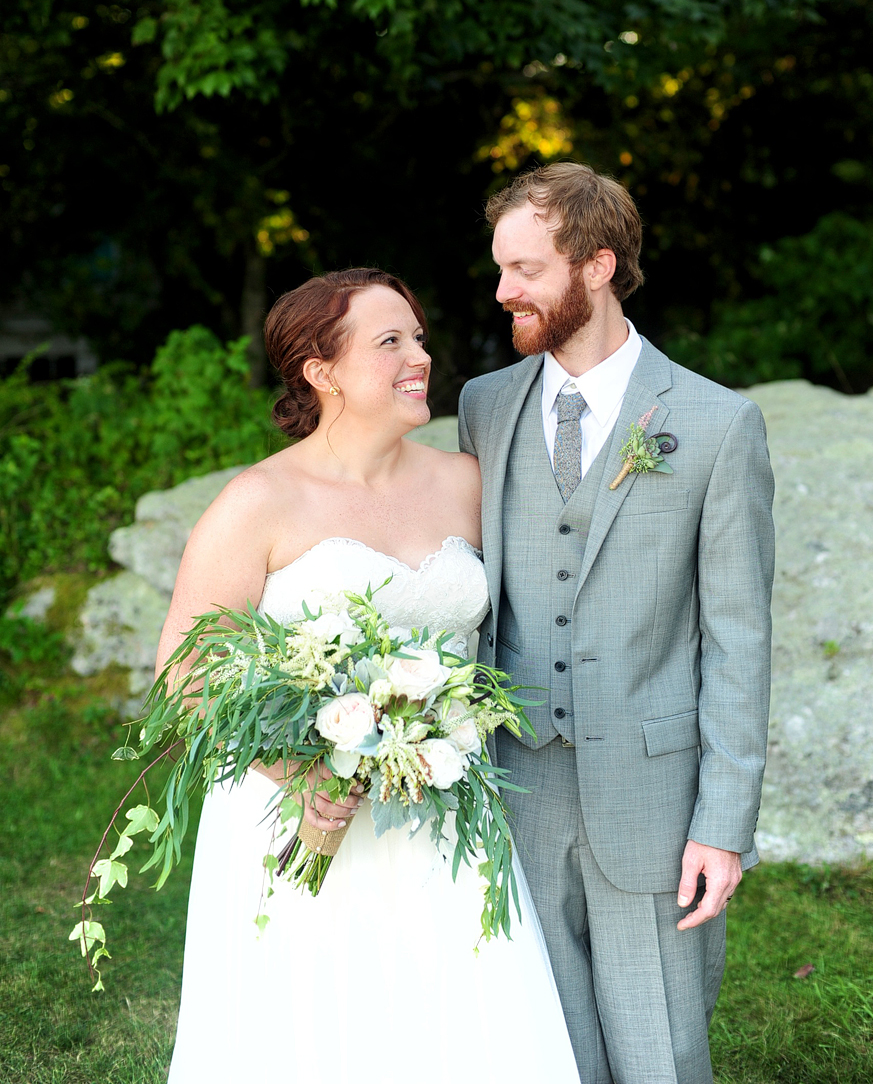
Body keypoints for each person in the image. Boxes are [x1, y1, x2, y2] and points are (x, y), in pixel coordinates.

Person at [159, 267, 580, 1084]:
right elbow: (185, 668)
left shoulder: (467, 486)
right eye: (390, 341)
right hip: (299, 815)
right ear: (321, 372)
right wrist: (302, 768)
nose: (418, 356)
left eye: (418, 337)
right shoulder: (259, 501)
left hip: (441, 810)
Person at [458, 163, 775, 1084]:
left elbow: (739, 640)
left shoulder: (718, 424)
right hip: (518, 784)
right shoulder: (484, 407)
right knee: (544, 1043)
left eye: (525, 269)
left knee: (660, 1046)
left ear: (597, 266)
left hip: (654, 795)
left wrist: (724, 822)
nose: (503, 289)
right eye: (501, 267)